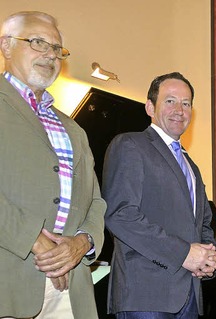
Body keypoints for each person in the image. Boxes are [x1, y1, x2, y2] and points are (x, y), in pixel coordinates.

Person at [0, 11, 106, 319]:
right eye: (37, 42)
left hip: (71, 290)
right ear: (6, 46)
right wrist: (33, 239)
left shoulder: (73, 129)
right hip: (9, 282)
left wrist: (82, 242)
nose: (50, 54)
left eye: (57, 48)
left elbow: (96, 202)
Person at [103, 72, 216, 318]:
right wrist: (184, 253)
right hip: (146, 294)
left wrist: (207, 259)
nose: (179, 109)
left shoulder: (190, 164)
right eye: (170, 101)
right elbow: (121, 215)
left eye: (186, 103)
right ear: (150, 107)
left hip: (189, 294)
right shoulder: (130, 144)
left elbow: (203, 222)